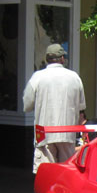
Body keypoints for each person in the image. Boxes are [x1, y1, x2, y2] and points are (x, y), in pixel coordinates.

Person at [23, 43, 86, 173]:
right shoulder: (74, 77)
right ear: (62, 58)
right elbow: (81, 107)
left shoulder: (38, 77)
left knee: (46, 173)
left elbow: (27, 105)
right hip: (67, 132)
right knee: (67, 172)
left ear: (47, 59)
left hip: (44, 133)